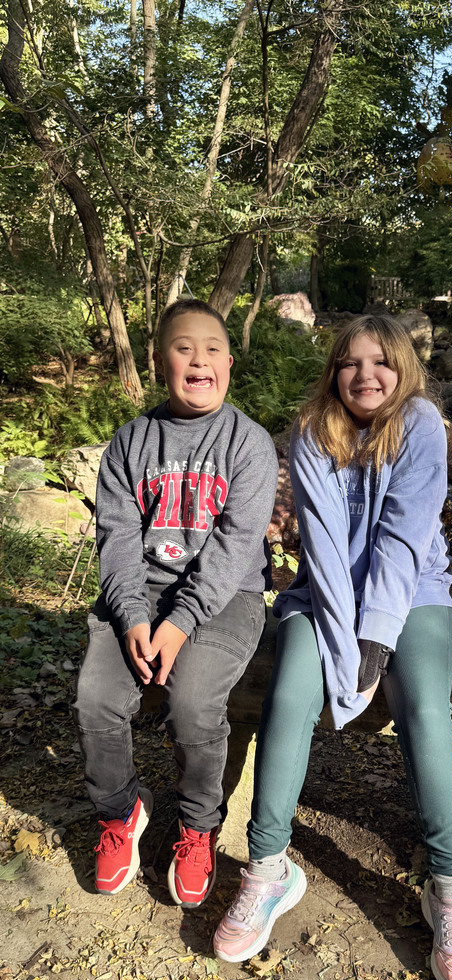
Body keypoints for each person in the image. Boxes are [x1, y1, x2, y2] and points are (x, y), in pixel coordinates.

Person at [213, 314, 452, 980]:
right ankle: (268, 871)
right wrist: (346, 644)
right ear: (334, 372)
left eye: (379, 362)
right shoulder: (312, 431)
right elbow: (328, 551)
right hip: (320, 598)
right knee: (287, 699)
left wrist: (376, 642)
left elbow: (403, 538)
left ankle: (451, 888)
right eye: (350, 363)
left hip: (415, 597)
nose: (365, 375)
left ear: (403, 369)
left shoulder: (421, 424)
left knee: (424, 706)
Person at [74, 298, 278, 909]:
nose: (199, 359)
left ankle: (197, 825)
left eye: (212, 348)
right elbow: (115, 541)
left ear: (230, 363)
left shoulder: (248, 443)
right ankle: (121, 810)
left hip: (226, 598)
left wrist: (180, 624)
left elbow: (234, 548)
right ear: (161, 360)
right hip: (140, 594)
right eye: (184, 347)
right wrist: (134, 617)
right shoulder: (131, 442)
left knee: (192, 701)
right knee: (97, 698)